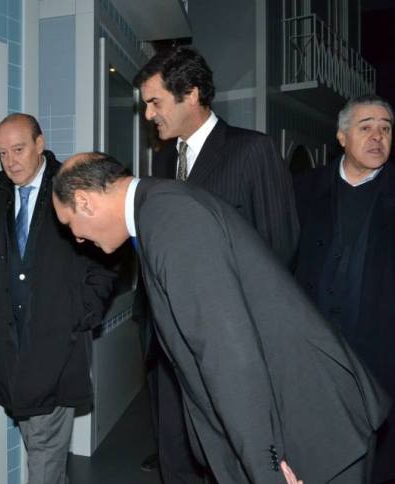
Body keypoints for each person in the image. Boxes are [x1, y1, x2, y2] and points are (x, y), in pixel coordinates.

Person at [51, 152, 390, 484]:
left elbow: (227, 356)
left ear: (84, 201)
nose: (77, 237)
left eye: (70, 224)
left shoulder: (172, 220)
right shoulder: (160, 205)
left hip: (309, 431)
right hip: (290, 418)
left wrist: (267, 469)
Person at [133, 45, 300, 480]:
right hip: (169, 348)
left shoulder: (253, 151)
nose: (149, 115)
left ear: (190, 94)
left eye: (155, 102)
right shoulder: (163, 160)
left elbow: (280, 247)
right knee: (176, 459)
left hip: (228, 347)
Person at [0, 114, 114, 484]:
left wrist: (85, 310)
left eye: (18, 150)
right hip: (9, 347)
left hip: (56, 344)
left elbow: (107, 255)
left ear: (40, 143)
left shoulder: (71, 185)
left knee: (45, 453)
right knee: (38, 445)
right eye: (2, 153)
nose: (10, 161)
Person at [294, 95, 395, 483]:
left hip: (379, 354)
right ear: (341, 137)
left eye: (386, 129)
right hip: (314, 350)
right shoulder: (303, 189)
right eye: (366, 127)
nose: (377, 137)